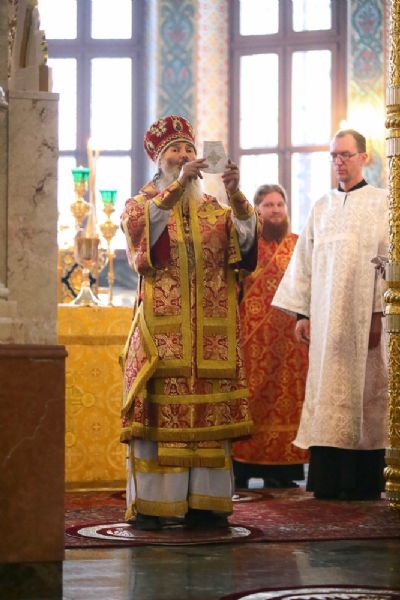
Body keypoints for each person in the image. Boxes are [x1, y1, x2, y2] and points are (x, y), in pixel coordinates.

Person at [120, 114, 258, 530]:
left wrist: (235, 193)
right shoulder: (141, 204)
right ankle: (153, 506)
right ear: (159, 160)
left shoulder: (213, 209)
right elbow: (142, 240)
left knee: (211, 418)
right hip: (162, 336)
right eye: (175, 151)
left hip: (210, 338)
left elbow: (246, 245)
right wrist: (178, 186)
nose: (183, 156)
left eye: (188, 150)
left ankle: (206, 503)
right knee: (159, 418)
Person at [272, 129, 388, 500]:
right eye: (334, 156)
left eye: (345, 155)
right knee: (326, 392)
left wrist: (377, 315)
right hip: (325, 325)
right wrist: (301, 315)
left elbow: (387, 262)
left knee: (366, 394)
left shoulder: (383, 204)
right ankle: (327, 481)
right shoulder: (320, 207)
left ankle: (364, 482)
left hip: (364, 322)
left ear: (363, 157)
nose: (339, 162)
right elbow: (303, 264)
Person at [232, 184, 309, 489]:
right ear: (257, 210)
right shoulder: (247, 247)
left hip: (291, 342)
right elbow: (234, 288)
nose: (275, 210)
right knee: (251, 398)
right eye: (268, 205)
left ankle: (283, 470)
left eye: (280, 204)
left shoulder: (298, 245)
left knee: (288, 400)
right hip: (253, 339)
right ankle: (243, 466)